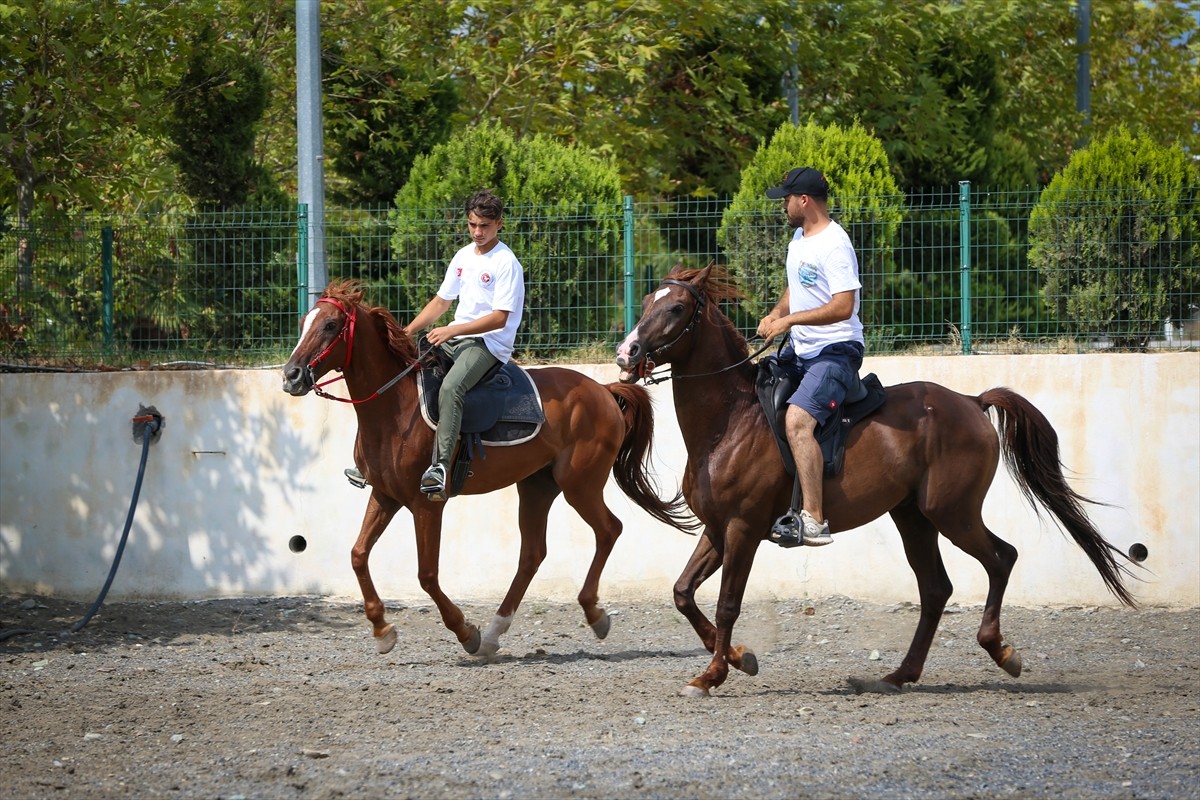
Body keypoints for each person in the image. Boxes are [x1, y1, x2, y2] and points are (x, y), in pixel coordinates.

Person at [344, 189, 525, 500]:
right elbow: (442, 301)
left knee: (451, 388)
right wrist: (407, 331)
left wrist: (452, 331)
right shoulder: (464, 256)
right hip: (455, 336)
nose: (477, 232)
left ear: (499, 224)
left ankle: (439, 467)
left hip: (487, 345)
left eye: (484, 226)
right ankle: (370, 462)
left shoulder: (506, 263)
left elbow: (499, 318)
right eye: (472, 225)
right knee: (400, 374)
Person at [756, 167, 864, 547]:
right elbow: (797, 285)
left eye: (786, 198)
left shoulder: (835, 244)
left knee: (798, 422)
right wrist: (775, 312)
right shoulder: (800, 239)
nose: (782, 205)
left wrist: (788, 321)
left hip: (837, 352)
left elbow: (843, 306)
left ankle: (815, 519)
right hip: (802, 352)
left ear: (804, 201)